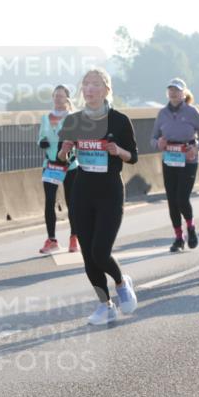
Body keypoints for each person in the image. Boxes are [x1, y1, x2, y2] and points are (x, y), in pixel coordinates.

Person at [57, 68, 138, 325]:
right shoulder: (74, 121)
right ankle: (106, 305)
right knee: (87, 256)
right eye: (86, 84)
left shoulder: (119, 120)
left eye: (95, 84)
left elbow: (133, 156)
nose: (89, 89)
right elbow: (62, 157)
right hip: (82, 190)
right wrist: (66, 150)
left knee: (100, 252)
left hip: (110, 192)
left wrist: (118, 150)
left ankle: (121, 282)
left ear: (106, 89)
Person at [151, 78, 199, 252]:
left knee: (182, 198)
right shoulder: (162, 113)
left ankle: (191, 227)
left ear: (183, 93)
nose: (173, 93)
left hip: (188, 159)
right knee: (172, 200)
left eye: (177, 90)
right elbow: (153, 138)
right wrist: (158, 144)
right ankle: (178, 238)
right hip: (169, 158)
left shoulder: (192, 112)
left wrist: (197, 147)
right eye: (170, 90)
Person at [37, 84, 79, 254]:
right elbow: (40, 138)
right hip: (50, 165)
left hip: (70, 167)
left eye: (61, 96)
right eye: (55, 96)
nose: (57, 99)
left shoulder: (73, 118)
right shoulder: (45, 118)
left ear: (67, 99)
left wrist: (70, 150)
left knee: (72, 203)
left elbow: (77, 140)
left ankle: (74, 238)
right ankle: (52, 239)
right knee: (49, 202)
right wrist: (42, 143)